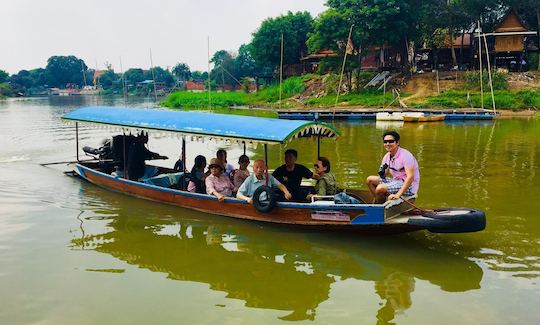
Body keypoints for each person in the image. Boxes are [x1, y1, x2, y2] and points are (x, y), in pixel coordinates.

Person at [366, 130, 420, 203]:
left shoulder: (406, 155)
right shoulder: (387, 156)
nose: (387, 144)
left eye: (391, 141)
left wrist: (398, 194)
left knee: (380, 188)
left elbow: (410, 177)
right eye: (385, 142)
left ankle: (378, 206)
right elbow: (382, 176)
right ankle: (379, 202)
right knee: (370, 179)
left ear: (397, 142)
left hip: (409, 186)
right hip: (396, 181)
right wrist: (382, 172)